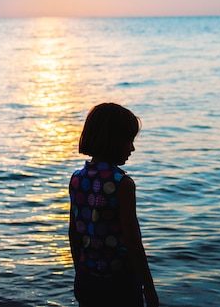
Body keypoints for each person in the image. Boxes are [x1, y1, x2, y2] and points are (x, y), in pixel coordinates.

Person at [69, 103, 159, 307]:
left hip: (87, 278)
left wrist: (79, 272)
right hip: (120, 281)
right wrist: (149, 288)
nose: (132, 148)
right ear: (115, 141)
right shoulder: (122, 184)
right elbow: (132, 241)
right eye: (129, 141)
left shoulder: (77, 179)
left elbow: (74, 234)